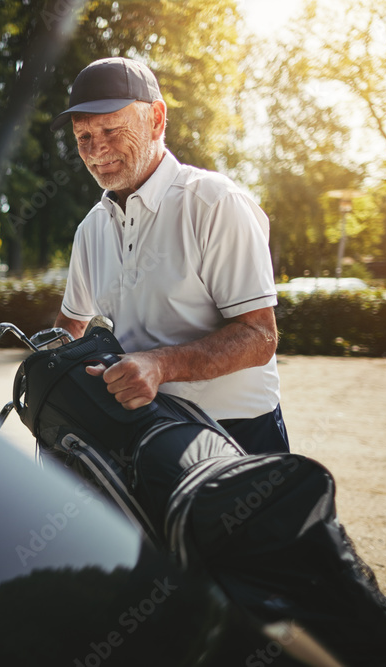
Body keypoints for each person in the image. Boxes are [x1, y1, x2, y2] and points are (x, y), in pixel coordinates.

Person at [50, 57, 288, 455]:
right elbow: (70, 325)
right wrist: (48, 372)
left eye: (111, 129)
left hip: (237, 434)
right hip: (142, 434)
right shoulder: (91, 228)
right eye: (83, 137)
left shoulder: (214, 203)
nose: (97, 150)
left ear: (157, 120)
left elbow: (260, 336)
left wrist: (160, 365)